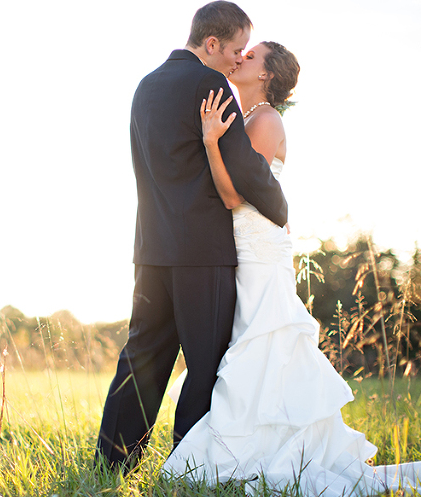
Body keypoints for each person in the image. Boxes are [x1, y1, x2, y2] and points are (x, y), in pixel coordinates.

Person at [162, 41, 421, 497]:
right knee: (254, 349)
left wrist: (210, 142)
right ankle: (258, 447)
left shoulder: (266, 121)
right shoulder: (246, 120)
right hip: (243, 250)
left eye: (252, 56)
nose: (242, 58)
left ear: (267, 75)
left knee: (263, 343)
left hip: (259, 255)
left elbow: (235, 198)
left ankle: (260, 452)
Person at [95, 1, 288, 471]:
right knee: (206, 363)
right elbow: (242, 164)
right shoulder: (209, 83)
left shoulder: (146, 86)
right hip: (203, 252)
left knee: (142, 354)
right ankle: (190, 465)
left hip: (152, 249)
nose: (238, 59)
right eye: (236, 48)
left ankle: (113, 460)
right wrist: (279, 205)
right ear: (211, 44)